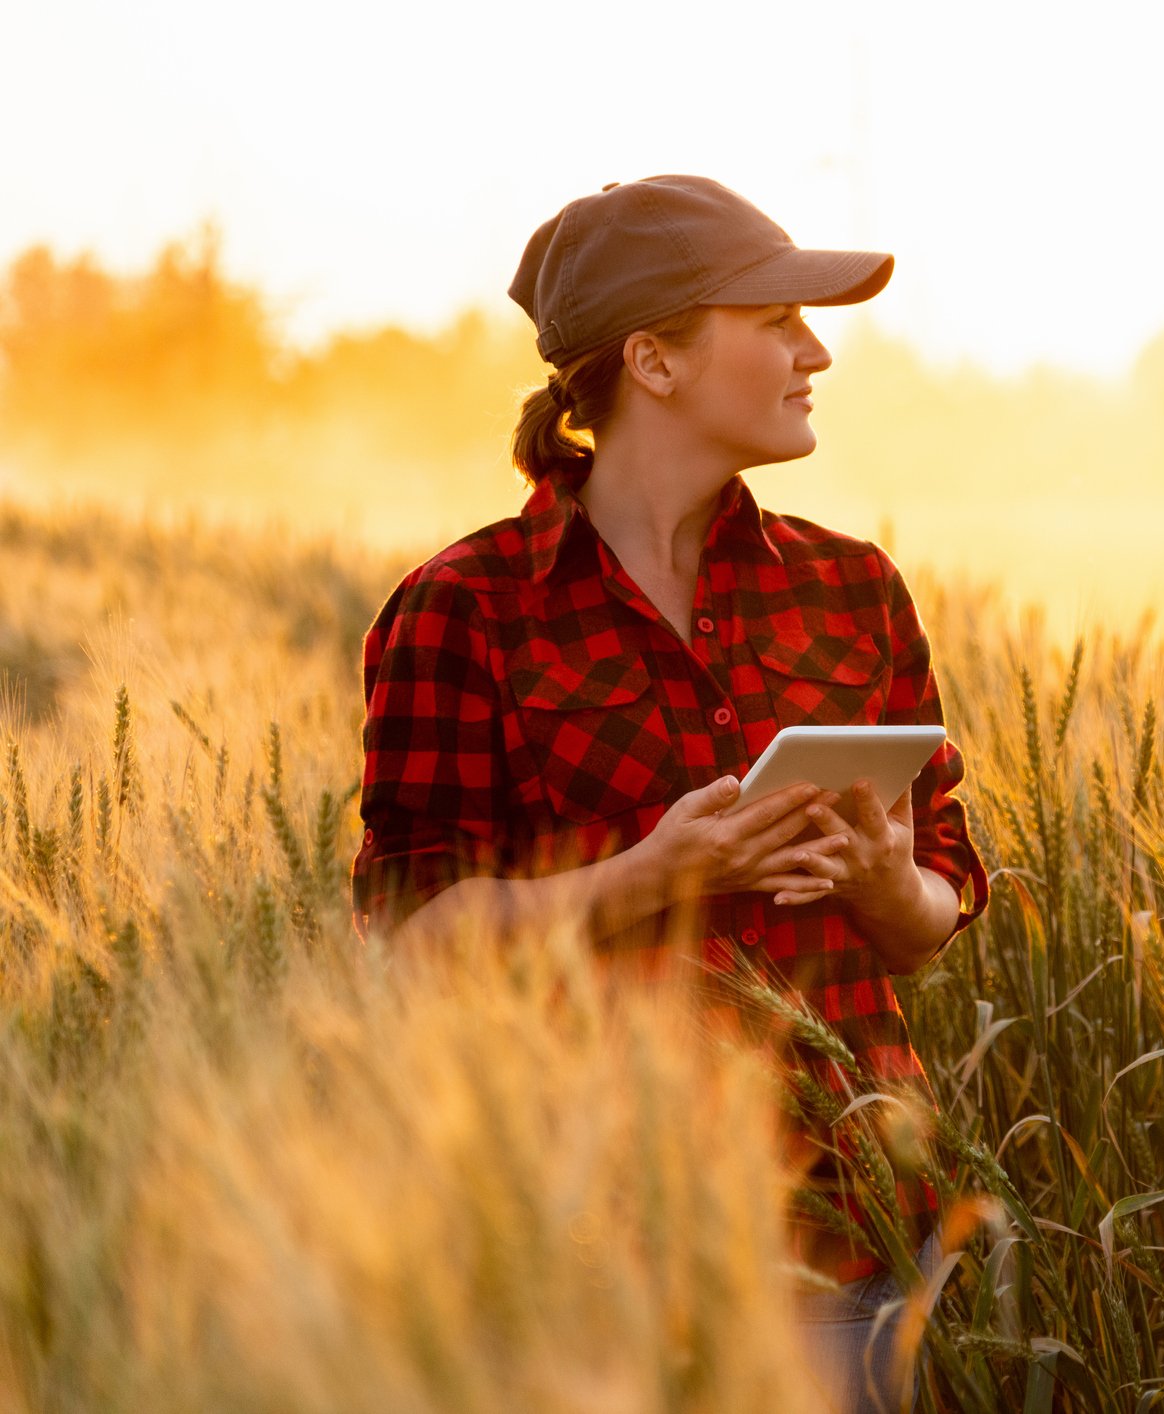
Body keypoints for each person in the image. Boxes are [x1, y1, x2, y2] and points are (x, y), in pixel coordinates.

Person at [348, 174, 990, 1413]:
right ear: (653, 358)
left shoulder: (854, 592)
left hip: (843, 1224)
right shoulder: (466, 609)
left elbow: (937, 907)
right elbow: (412, 936)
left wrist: (881, 883)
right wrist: (652, 877)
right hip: (590, 1242)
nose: (817, 351)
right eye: (778, 320)